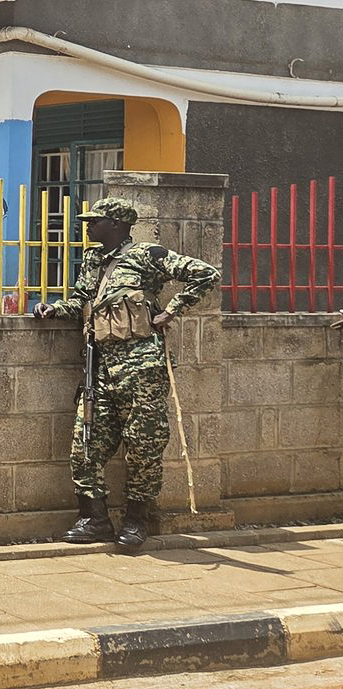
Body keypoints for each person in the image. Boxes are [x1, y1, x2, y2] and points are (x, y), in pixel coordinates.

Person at [31, 197, 219, 552]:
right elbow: (83, 300)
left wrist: (172, 311)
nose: (88, 226)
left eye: (95, 220)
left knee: (143, 446)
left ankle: (136, 522)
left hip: (142, 367)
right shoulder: (92, 259)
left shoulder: (146, 255)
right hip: (100, 367)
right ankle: (94, 519)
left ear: (116, 224)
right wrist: (55, 308)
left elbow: (205, 273)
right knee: (85, 443)